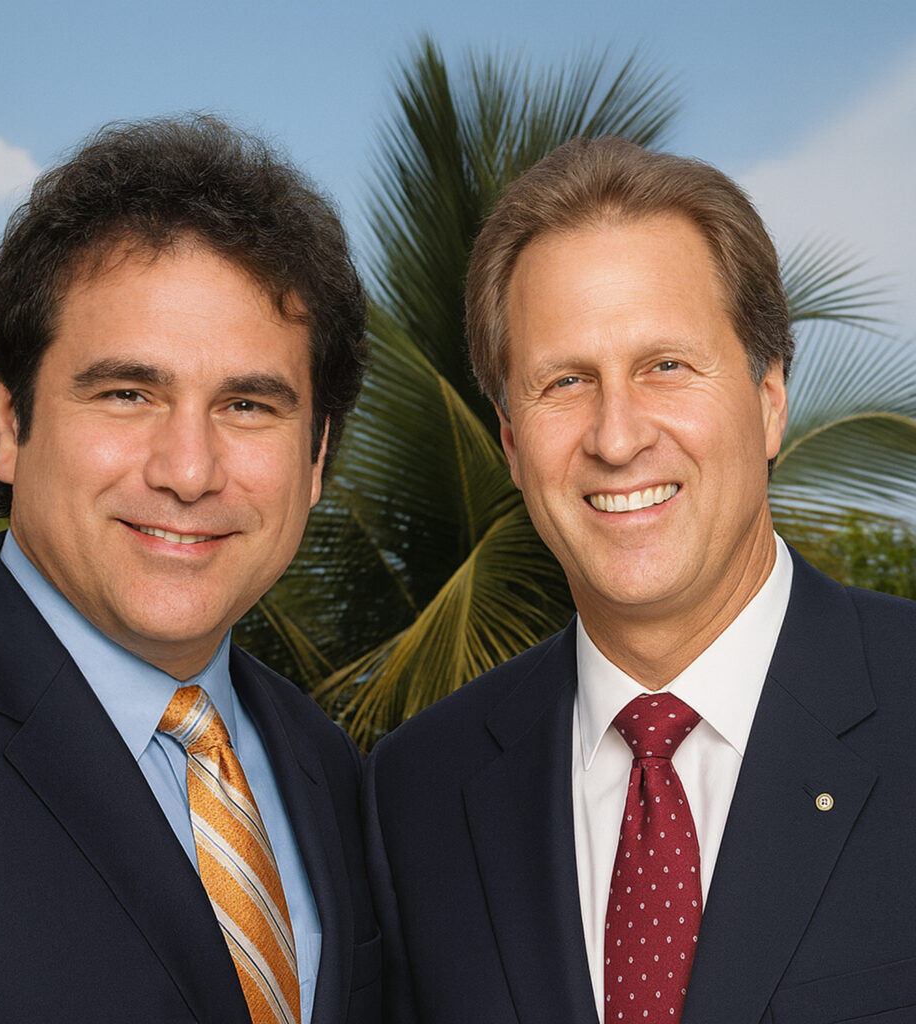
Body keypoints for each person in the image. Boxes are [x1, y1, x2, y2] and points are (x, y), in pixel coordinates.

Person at [364, 136, 916, 1023]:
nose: (617, 438)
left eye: (666, 366)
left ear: (770, 400)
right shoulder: (418, 793)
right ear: (511, 443)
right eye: (564, 381)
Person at [0, 115, 379, 1024]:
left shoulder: (330, 768)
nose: (188, 471)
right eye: (128, 393)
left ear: (317, 457)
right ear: (7, 418)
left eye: (248, 404)